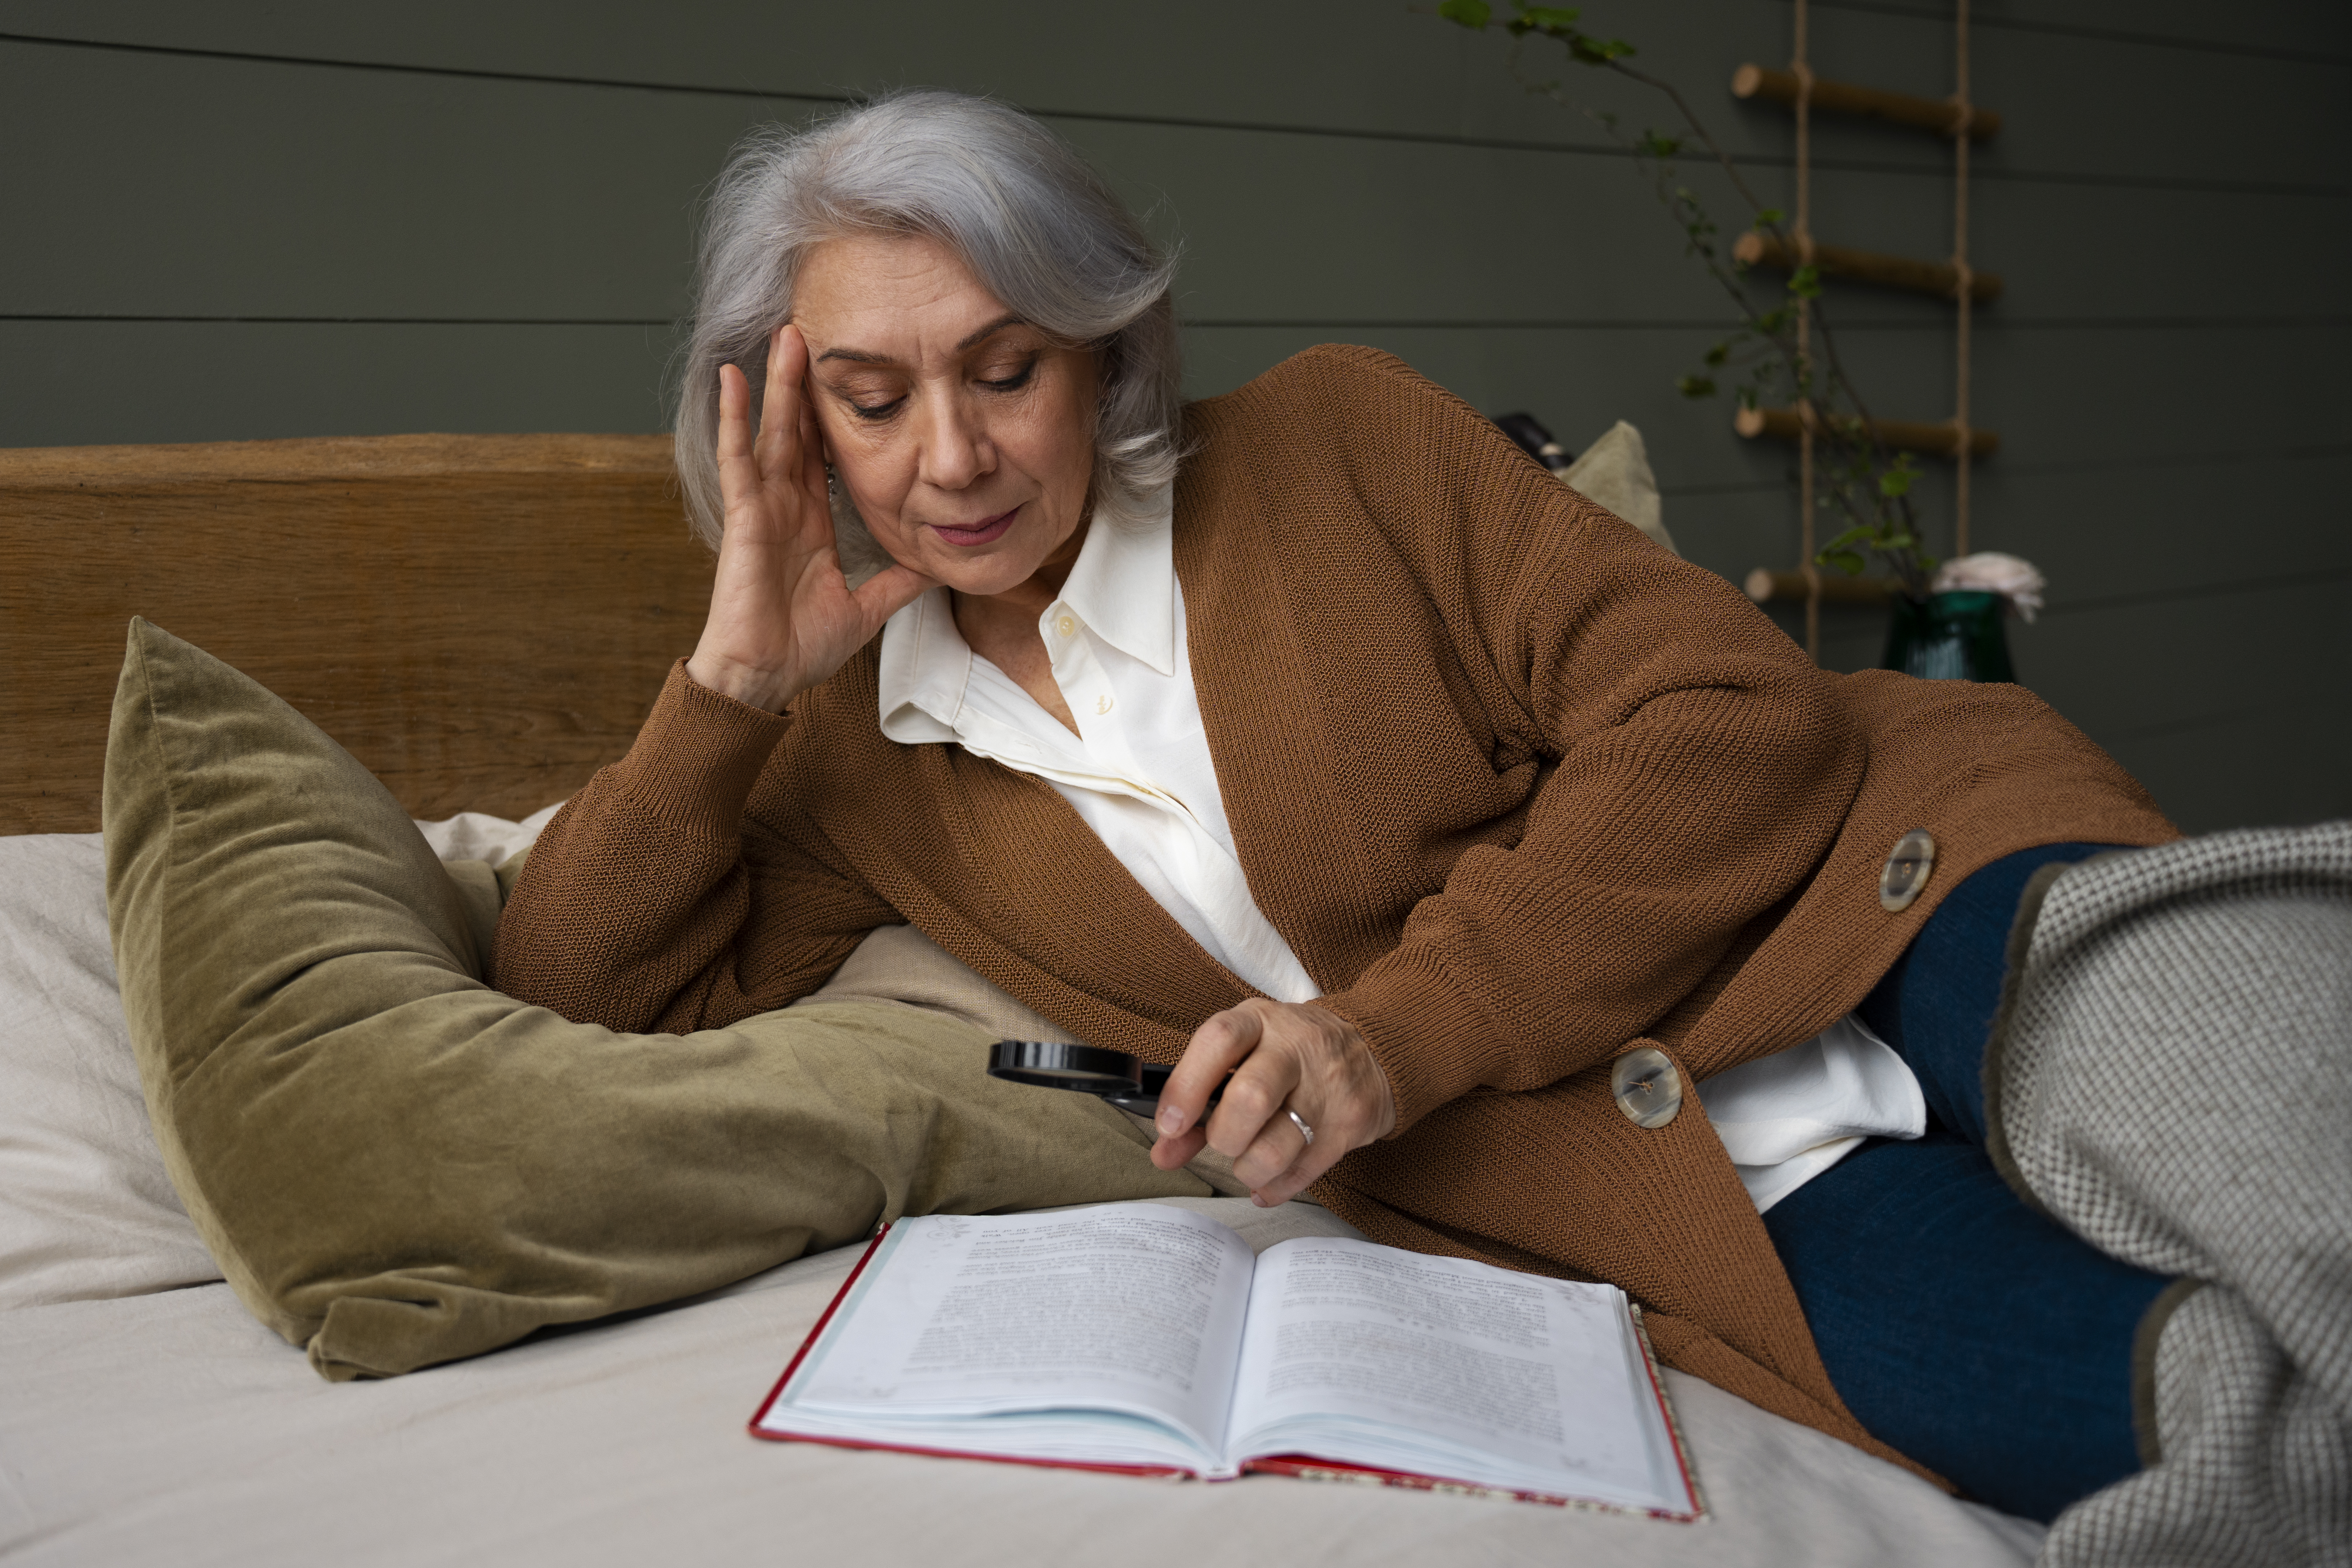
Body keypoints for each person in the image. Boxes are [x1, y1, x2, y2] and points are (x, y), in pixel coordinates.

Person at [492, 92, 2188, 1523]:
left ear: (1100, 353)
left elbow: (1733, 714)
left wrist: (1394, 1031)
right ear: (793, 424)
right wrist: (727, 690)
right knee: (2198, 1420)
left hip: (1906, 902)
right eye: (873, 401)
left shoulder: (1336, 441)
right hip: (1703, 1191)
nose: (949, 459)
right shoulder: (854, 754)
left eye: (1006, 372)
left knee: (2280, 1147)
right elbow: (575, 998)